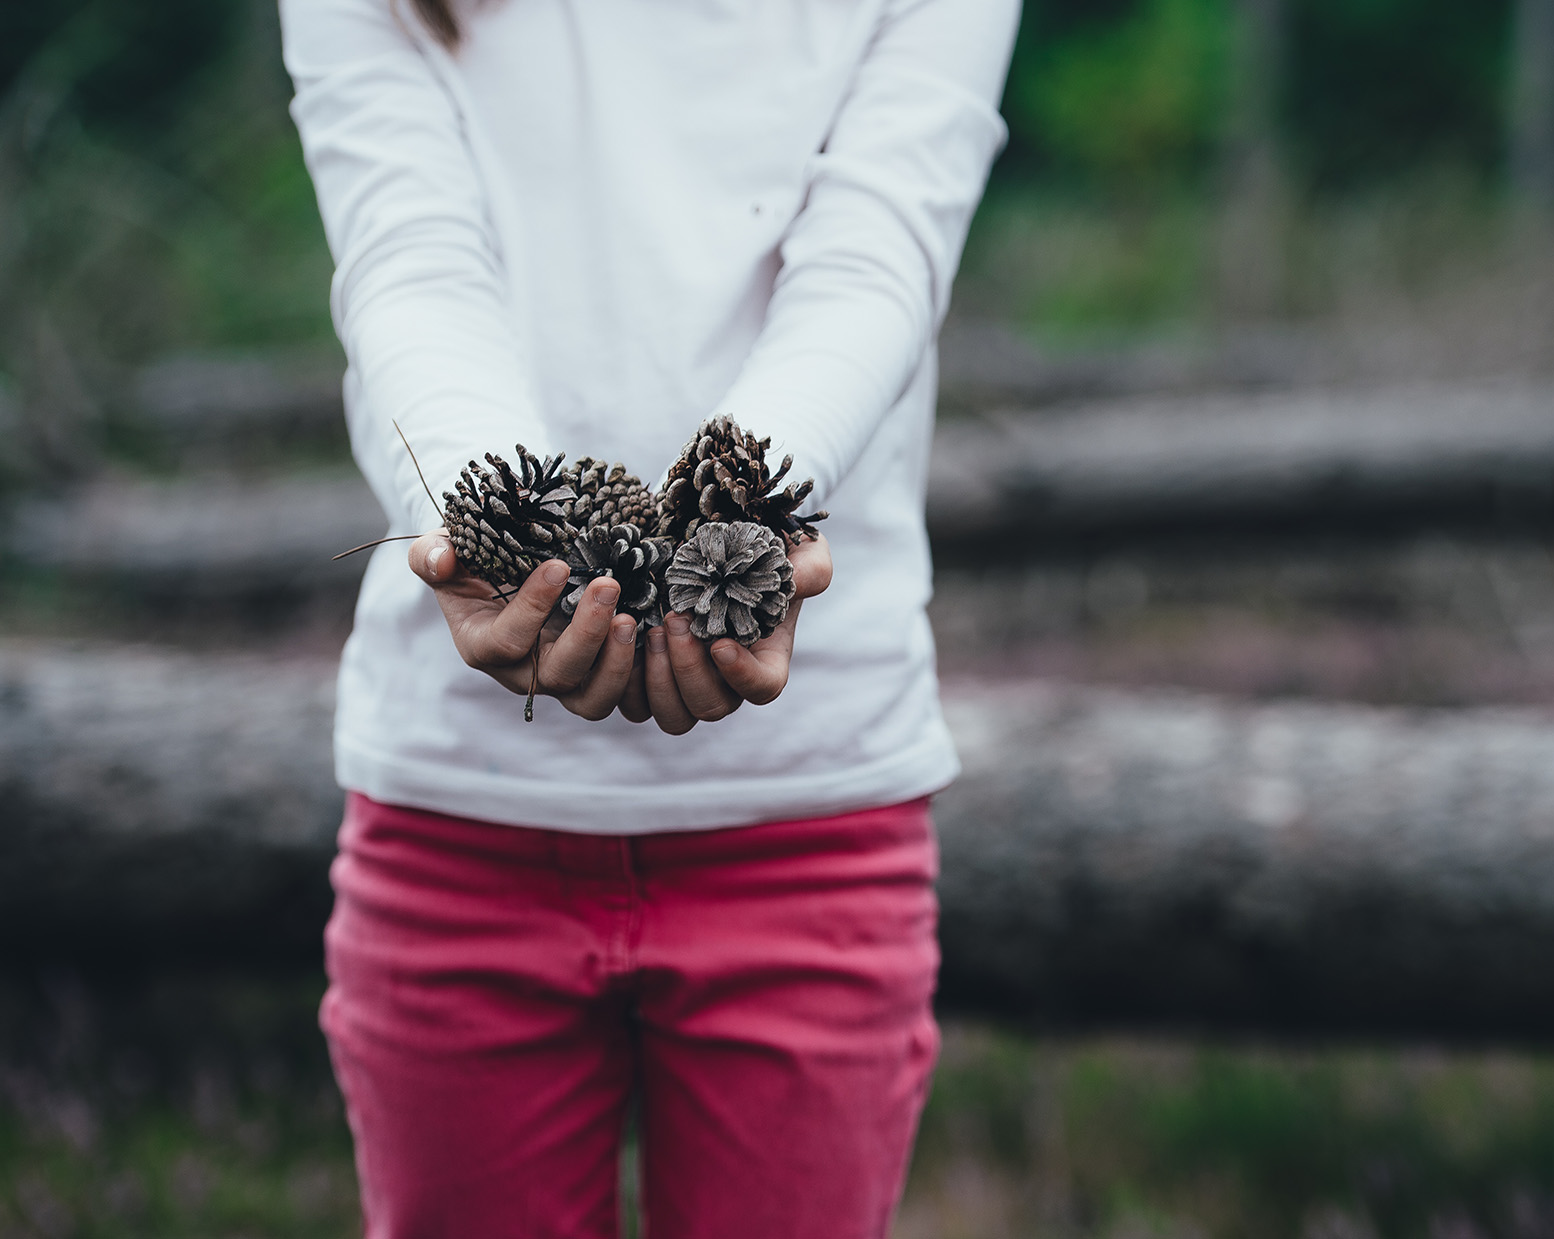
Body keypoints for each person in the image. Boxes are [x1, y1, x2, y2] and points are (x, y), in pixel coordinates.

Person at [279, 0, 1018, 1233]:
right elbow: (409, 256)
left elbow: (877, 254)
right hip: (456, 827)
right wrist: (486, 528)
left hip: (810, 820)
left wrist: (745, 511)